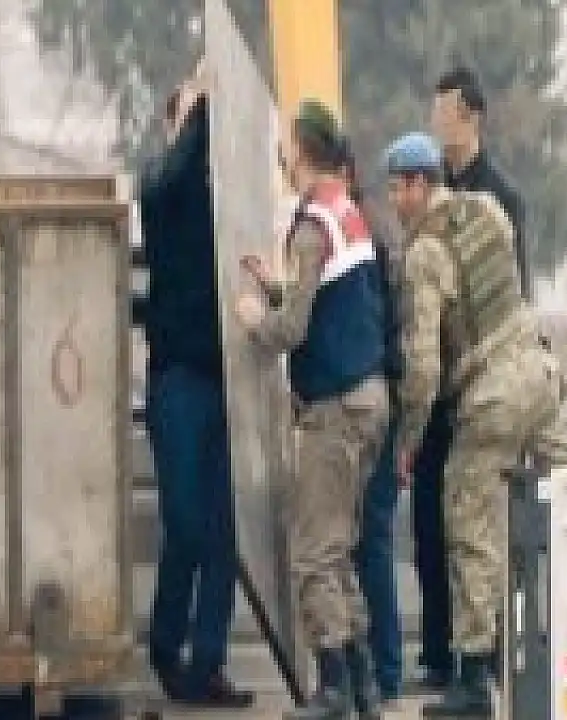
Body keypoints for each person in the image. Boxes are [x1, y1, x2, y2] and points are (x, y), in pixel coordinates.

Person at [382, 132, 567, 718]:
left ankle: (474, 675)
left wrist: (409, 438)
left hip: (492, 396)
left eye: (398, 188)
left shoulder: (425, 254)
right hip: (540, 375)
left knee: (469, 521)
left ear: (420, 184)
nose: (393, 201)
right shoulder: (489, 210)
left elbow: (423, 366)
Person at [237, 99, 389, 719]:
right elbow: (331, 299)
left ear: (300, 148)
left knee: (311, 553)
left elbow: (293, 329)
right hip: (368, 400)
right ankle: (363, 684)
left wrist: (256, 319)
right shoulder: (344, 212)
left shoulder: (309, 226)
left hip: (335, 409)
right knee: (338, 548)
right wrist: (278, 286)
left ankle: (333, 687)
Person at [137, 61, 253, 709]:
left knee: (222, 536)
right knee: (184, 523)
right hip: (178, 381)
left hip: (222, 380)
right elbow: (180, 168)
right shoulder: (161, 185)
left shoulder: (222, 200)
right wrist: (204, 100)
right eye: (188, 118)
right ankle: (165, 647)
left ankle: (207, 663)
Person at [339, 150, 405, 705]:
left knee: (369, 539)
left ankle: (381, 670)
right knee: (369, 539)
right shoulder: (374, 230)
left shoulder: (355, 236)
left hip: (371, 399)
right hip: (386, 398)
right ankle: (382, 668)